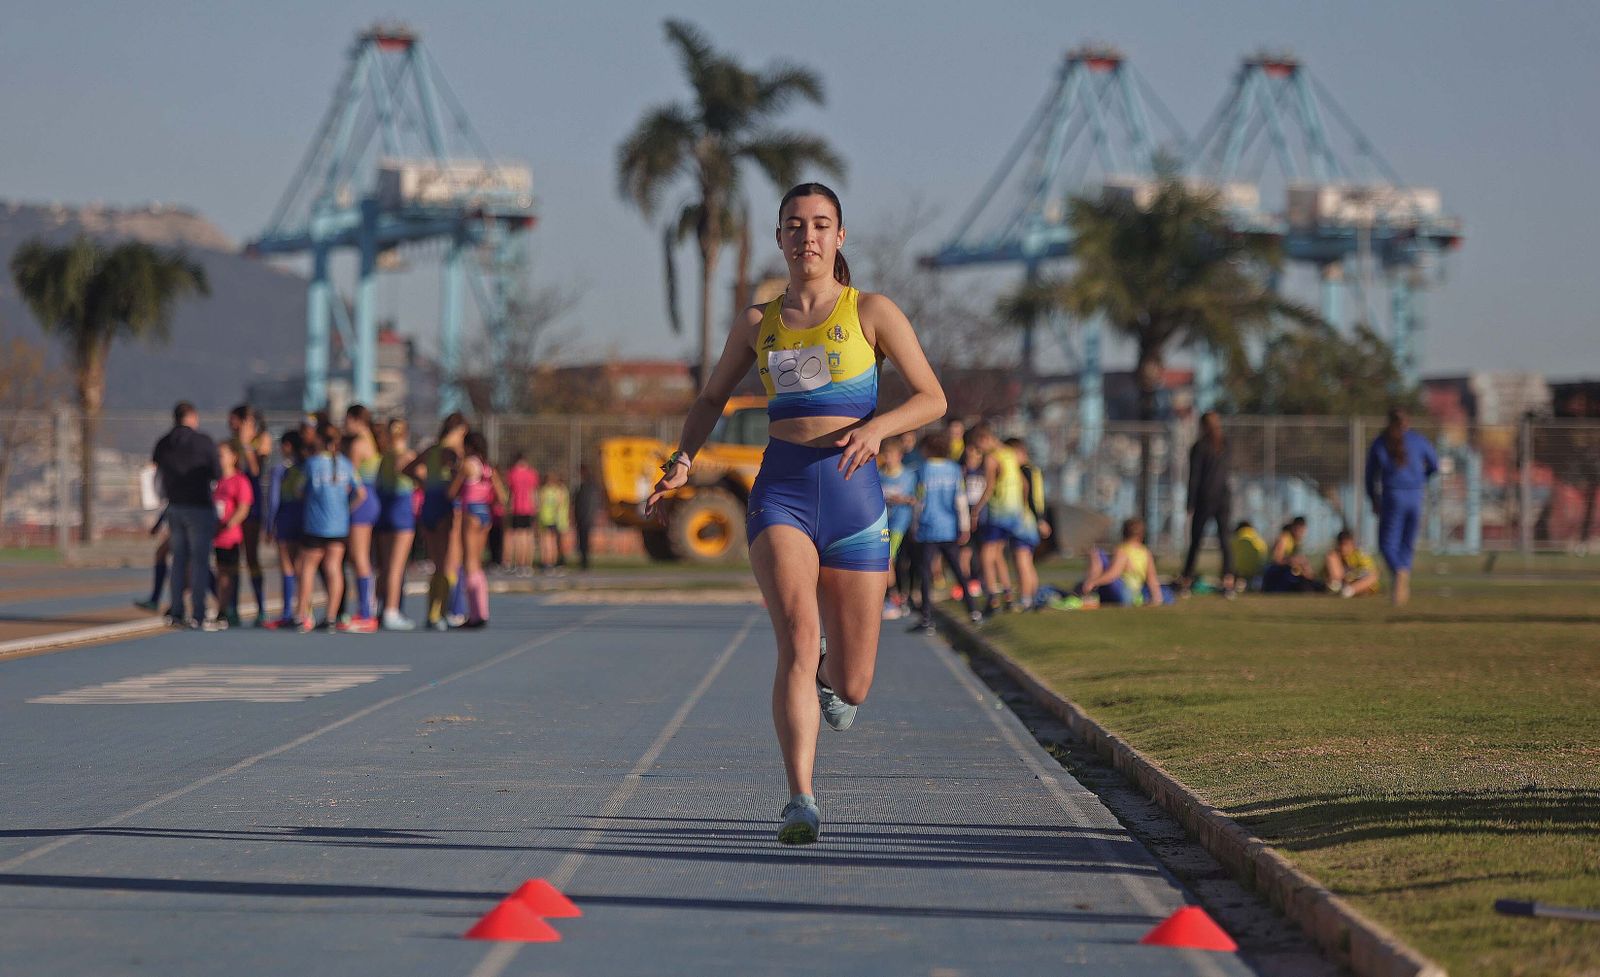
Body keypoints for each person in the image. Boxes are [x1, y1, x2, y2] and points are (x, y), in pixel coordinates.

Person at [647, 182, 946, 846]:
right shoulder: (759, 323)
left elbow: (932, 397)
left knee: (855, 682)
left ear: (840, 237)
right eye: (794, 225)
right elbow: (711, 397)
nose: (806, 235)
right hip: (781, 488)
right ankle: (799, 798)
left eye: (820, 224)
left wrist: (878, 430)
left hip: (855, 496)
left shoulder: (872, 311)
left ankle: (828, 675)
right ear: (779, 237)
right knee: (796, 632)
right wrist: (681, 460)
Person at [152, 401, 220, 629]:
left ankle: (177, 609)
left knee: (178, 560)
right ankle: (198, 612)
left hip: (175, 506)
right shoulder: (203, 442)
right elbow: (217, 473)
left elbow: (155, 472)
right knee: (200, 562)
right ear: (192, 417)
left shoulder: (164, 443)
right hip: (199, 506)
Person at [295, 422, 366, 632]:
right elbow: (360, 493)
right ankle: (331, 616)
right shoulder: (346, 464)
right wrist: (345, 507)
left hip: (316, 524)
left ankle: (302, 615)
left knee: (307, 567)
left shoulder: (312, 464)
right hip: (339, 525)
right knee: (334, 568)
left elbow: (299, 491)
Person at [1365, 407, 1439, 606]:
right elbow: (1435, 464)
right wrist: (1420, 479)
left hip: (1393, 495)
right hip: (1416, 495)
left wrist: (1373, 498)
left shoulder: (1381, 442)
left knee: (1387, 543)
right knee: (1407, 541)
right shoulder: (1418, 440)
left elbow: (1370, 475)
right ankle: (1403, 572)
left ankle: (1398, 571)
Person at [909, 431, 981, 631]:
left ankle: (926, 617)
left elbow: (919, 502)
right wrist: (964, 526)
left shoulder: (921, 471)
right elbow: (960, 501)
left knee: (925, 573)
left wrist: (914, 526)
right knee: (958, 571)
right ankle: (973, 610)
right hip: (949, 527)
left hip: (927, 528)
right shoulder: (954, 470)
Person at [404, 413, 469, 630]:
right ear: (459, 430)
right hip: (445, 506)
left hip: (429, 504)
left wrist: (423, 484)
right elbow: (461, 478)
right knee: (450, 561)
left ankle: (434, 612)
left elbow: (408, 468)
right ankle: (446, 611)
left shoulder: (431, 449)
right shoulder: (455, 452)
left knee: (437, 562)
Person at [452, 431, 506, 627]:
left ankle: (477, 613)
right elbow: (501, 497)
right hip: (485, 512)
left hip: (471, 512)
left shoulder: (468, 465)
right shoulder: (488, 468)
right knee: (477, 562)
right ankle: (481, 610)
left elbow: (453, 491)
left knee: (469, 562)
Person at [1182, 410, 1235, 595]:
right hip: (1223, 496)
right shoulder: (1225, 444)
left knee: (1196, 540)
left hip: (1205, 497)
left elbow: (1194, 477)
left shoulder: (1199, 447)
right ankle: (1228, 581)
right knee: (1224, 540)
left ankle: (1186, 579)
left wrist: (1190, 503)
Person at [374, 418, 418, 630]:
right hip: (401, 513)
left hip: (384, 510)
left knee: (383, 566)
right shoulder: (407, 456)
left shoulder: (384, 458)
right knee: (396, 566)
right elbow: (420, 478)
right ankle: (392, 609)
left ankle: (378, 606)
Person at [226, 405, 268, 625]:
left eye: (234, 420)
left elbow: (255, 470)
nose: (231, 425)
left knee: (251, 557)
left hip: (252, 505)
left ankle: (261, 608)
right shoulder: (231, 443)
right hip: (232, 503)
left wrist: (245, 444)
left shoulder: (260, 441)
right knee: (231, 557)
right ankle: (231, 607)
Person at [341, 405, 382, 631]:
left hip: (361, 501)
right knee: (360, 557)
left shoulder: (358, 444)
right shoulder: (370, 441)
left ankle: (366, 612)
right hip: (369, 499)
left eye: (347, 420)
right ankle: (365, 608)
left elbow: (350, 479)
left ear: (357, 420)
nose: (344, 425)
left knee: (359, 557)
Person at [205, 441, 253, 630]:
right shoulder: (216, 481)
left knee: (226, 574)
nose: (219, 458)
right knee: (210, 571)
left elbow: (243, 508)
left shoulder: (239, 481)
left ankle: (226, 611)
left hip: (229, 537)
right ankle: (224, 607)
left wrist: (228, 524)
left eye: (222, 454)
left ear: (233, 457)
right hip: (213, 536)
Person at [264, 430, 305, 629]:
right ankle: (303, 610)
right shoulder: (305, 467)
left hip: (286, 516)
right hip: (304, 517)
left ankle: (288, 611)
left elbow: (273, 500)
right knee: (301, 566)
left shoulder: (280, 470)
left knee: (287, 565)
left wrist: (269, 525)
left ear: (287, 446)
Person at [1080, 517, 1168, 606]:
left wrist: (1094, 582)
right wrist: (1157, 596)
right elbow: (1152, 578)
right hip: (1135, 593)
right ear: (1142, 534)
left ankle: (1090, 593)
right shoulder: (1145, 552)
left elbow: (1114, 573)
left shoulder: (1122, 550)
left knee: (1097, 553)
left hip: (1123, 593)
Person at [877, 437, 917, 620]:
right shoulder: (879, 474)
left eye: (892, 454)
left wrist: (903, 499)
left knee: (889, 560)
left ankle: (893, 598)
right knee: (887, 561)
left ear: (900, 456)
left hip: (901, 523)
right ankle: (894, 597)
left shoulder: (908, 475)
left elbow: (914, 498)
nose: (888, 458)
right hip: (883, 522)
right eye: (885, 454)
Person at [1008, 437, 1050, 609]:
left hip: (1025, 522)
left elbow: (1031, 497)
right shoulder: (1034, 470)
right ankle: (1033, 597)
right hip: (1031, 521)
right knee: (1028, 562)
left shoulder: (1023, 471)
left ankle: (1026, 598)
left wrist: (1040, 520)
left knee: (1022, 560)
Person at [1262, 516, 1321, 593]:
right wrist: (1293, 560)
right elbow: (1276, 559)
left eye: (1302, 531)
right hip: (1275, 574)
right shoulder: (1284, 538)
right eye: (1298, 530)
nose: (1300, 533)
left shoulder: (1296, 542)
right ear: (1293, 528)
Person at [504, 453, 540, 574]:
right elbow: (533, 492)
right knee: (528, 537)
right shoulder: (532, 473)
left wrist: (508, 508)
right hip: (529, 508)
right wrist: (536, 507)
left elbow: (511, 494)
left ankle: (519, 564)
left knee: (518, 537)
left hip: (517, 508)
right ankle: (527, 565)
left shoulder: (512, 473)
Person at [1324, 530, 1381, 598]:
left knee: (1373, 576)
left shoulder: (1360, 554)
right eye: (1341, 544)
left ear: (1352, 543)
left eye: (1346, 544)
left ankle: (1348, 591)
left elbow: (1370, 572)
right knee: (1331, 556)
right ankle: (1338, 587)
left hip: (1358, 582)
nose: (1343, 548)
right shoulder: (1334, 555)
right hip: (1341, 582)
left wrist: (1351, 576)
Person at [572, 463, 603, 571]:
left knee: (584, 540)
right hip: (582, 517)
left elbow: (589, 503)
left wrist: (590, 515)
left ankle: (585, 562)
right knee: (582, 540)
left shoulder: (588, 486)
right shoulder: (584, 486)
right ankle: (583, 561)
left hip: (585, 517)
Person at [538, 473, 571, 571]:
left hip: (546, 519)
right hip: (554, 519)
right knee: (553, 542)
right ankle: (553, 562)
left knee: (547, 542)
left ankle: (547, 562)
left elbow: (540, 504)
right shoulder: (558, 491)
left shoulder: (544, 491)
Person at [1229, 520, 1268, 591]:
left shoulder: (1235, 538)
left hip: (1239, 570)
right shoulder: (1258, 538)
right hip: (1257, 569)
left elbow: (1230, 554)